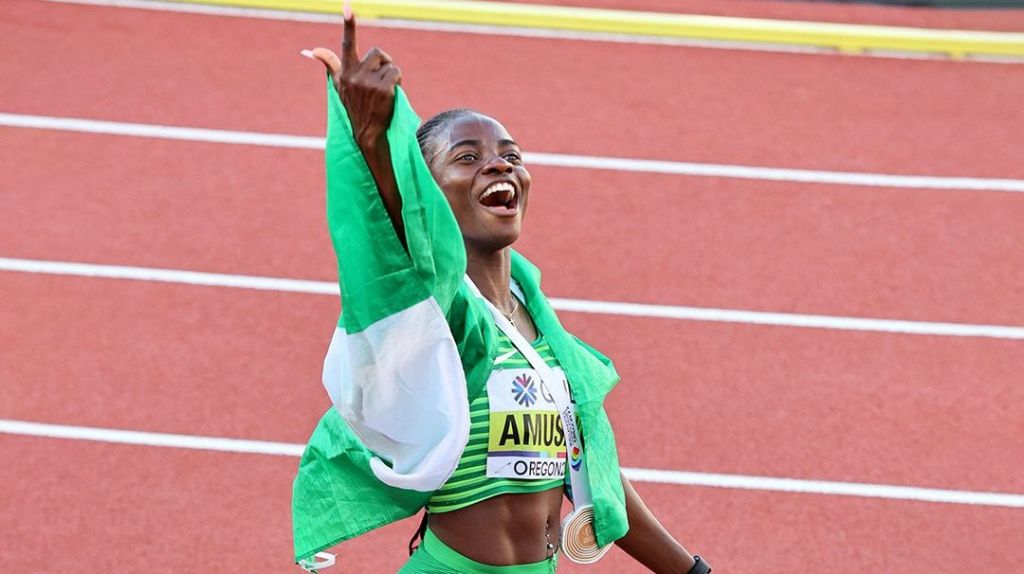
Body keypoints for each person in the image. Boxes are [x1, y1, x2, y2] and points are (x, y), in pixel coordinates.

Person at [291, 6, 711, 574]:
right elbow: (387, 255)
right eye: (468, 158)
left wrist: (692, 572)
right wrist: (374, 148)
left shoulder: (545, 334)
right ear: (429, 193)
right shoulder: (437, 318)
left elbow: (598, 482)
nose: (498, 166)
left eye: (510, 155)